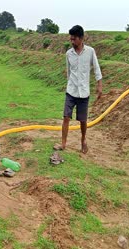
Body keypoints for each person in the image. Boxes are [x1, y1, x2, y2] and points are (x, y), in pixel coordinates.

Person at [54, 25, 103, 154]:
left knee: (83, 120)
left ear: (81, 38)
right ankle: (63, 144)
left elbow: (97, 68)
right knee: (66, 117)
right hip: (71, 91)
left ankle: (83, 141)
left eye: (74, 39)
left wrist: (99, 85)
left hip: (84, 92)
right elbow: (69, 72)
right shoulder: (68, 54)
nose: (72, 41)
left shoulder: (90, 52)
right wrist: (68, 84)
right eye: (70, 39)